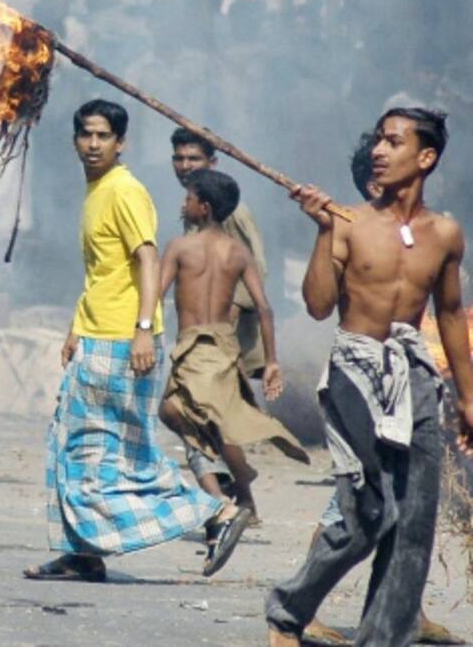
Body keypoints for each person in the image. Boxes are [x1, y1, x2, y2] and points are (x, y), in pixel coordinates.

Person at [266, 108, 473, 647]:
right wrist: (320, 231)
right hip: (356, 368)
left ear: (425, 158)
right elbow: (316, 306)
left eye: (394, 141)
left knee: (416, 518)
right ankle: (289, 609)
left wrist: (467, 398)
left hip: (414, 373)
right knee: (370, 508)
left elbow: (450, 314)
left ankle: (386, 635)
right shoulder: (347, 222)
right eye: (379, 140)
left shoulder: (446, 234)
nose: (379, 150)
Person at [24, 99, 249, 584]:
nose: (93, 144)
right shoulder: (98, 189)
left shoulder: (124, 191)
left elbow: (147, 260)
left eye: (104, 136)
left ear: (121, 142)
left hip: (122, 342)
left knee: (124, 455)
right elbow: (104, 274)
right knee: (73, 447)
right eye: (86, 134)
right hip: (99, 334)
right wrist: (75, 328)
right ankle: (80, 552)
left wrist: (143, 329)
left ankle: (216, 514)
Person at [158, 169, 308, 537]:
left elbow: (156, 295)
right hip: (226, 347)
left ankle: (221, 501)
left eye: (188, 198)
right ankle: (242, 493)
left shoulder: (179, 247)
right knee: (217, 423)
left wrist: (142, 332)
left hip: (197, 348)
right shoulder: (238, 252)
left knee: (175, 411)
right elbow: (266, 308)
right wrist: (271, 361)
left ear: (203, 207)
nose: (183, 203)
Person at [169, 128, 272, 510]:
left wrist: (221, 326)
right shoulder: (195, 208)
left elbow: (254, 269)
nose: (184, 166)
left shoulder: (231, 211)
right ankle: (242, 498)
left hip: (225, 337)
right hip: (203, 334)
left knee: (198, 412)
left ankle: (234, 491)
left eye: (193, 159)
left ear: (213, 162)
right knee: (214, 417)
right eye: (178, 159)